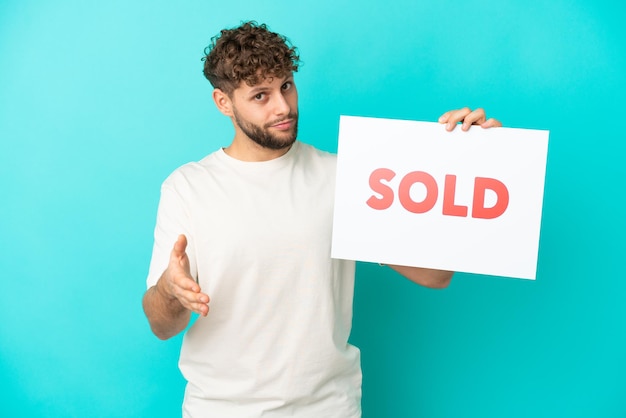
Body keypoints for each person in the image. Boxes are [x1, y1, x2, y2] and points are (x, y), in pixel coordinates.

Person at [142, 21, 502, 418]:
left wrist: (470, 163)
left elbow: (436, 275)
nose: (282, 106)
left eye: (286, 86)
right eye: (260, 95)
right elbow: (161, 325)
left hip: (328, 409)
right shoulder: (188, 187)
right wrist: (170, 290)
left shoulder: (344, 178)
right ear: (223, 102)